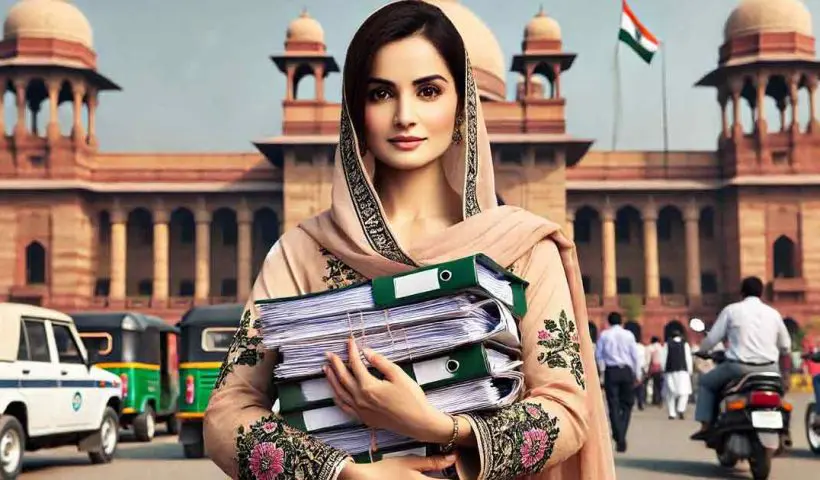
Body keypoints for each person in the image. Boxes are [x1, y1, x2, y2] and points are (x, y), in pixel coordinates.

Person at [202, 2, 616, 479]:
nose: (404, 116)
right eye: (381, 93)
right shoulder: (303, 251)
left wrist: (440, 426)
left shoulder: (522, 247)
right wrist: (346, 474)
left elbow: (568, 409)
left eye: (428, 91)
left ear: (462, 105)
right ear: (356, 111)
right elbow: (226, 413)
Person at [690, 276, 792, 440]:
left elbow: (712, 338)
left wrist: (703, 350)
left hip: (738, 368)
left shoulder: (732, 310)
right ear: (761, 293)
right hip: (770, 368)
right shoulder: (773, 313)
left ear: (742, 293)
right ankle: (785, 430)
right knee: (779, 393)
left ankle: (706, 426)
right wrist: (786, 372)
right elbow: (786, 346)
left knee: (706, 383)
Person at [595, 312, 642, 453]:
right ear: (621, 322)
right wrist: (637, 374)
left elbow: (599, 355)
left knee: (613, 405)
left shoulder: (604, 335)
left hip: (611, 371)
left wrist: (602, 372)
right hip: (626, 371)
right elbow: (635, 356)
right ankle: (621, 435)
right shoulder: (628, 335)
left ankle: (618, 435)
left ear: (608, 321)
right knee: (627, 405)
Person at [660, 327, 693, 420]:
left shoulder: (667, 344)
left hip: (670, 371)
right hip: (683, 371)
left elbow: (663, 358)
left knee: (670, 393)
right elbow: (688, 358)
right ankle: (681, 409)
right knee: (684, 392)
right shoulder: (685, 344)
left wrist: (663, 369)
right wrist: (690, 370)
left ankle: (672, 413)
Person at [623, 322, 647, 410]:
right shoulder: (641, 347)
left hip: (628, 369)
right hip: (639, 368)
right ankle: (640, 402)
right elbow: (643, 360)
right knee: (640, 387)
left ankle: (631, 402)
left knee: (630, 388)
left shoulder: (626, 346)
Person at [645, 336, 664, 406]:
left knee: (650, 384)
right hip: (660, 368)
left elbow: (648, 359)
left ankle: (653, 399)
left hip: (652, 368)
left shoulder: (650, 347)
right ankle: (659, 399)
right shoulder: (661, 348)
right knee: (659, 385)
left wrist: (646, 369)